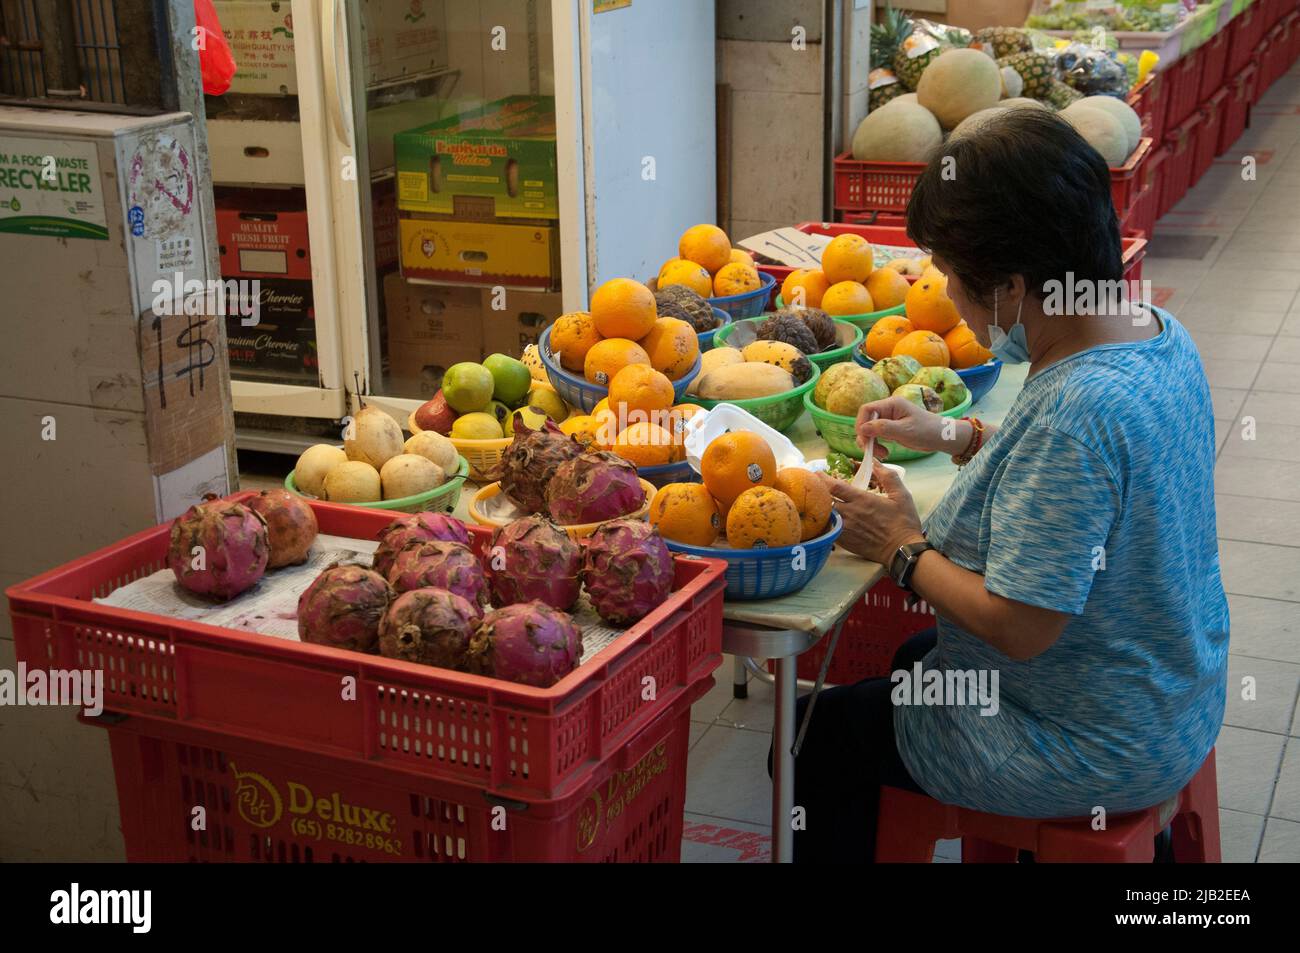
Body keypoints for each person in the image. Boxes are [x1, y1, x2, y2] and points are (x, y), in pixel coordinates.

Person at [783, 109, 1229, 862]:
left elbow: (1022, 626)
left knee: (816, 740)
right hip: (1171, 687)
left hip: (1092, 743)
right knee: (910, 662)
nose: (946, 293)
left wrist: (900, 548)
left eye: (952, 274)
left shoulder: (1076, 412)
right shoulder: (1151, 330)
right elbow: (1094, 491)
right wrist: (954, 434)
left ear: (1015, 285)